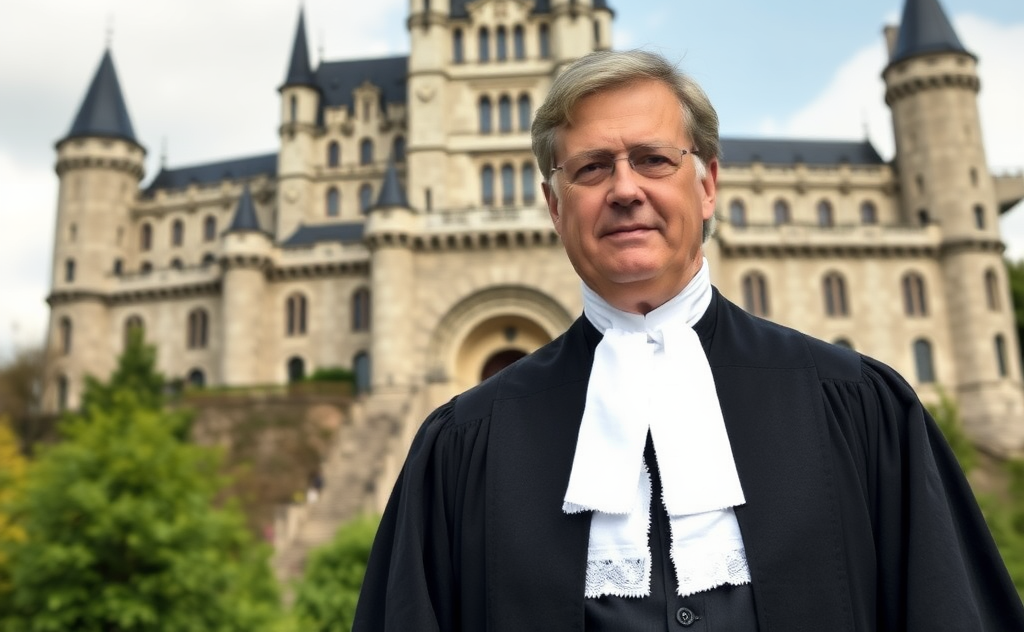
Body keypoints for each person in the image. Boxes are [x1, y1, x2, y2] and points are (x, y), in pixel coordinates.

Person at [353, 49, 1024, 631]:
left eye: (652, 160)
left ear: (706, 186)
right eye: (590, 169)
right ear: (555, 208)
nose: (624, 189)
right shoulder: (462, 445)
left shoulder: (859, 406)